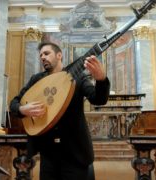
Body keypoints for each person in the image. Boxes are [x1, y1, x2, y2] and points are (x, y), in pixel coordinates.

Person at [10, 41, 110, 180]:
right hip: (48, 154)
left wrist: (101, 80)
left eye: (46, 53)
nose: (43, 57)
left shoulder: (78, 77)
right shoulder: (37, 79)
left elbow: (98, 99)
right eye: (41, 55)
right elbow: (14, 103)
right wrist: (22, 109)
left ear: (59, 55)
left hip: (75, 153)